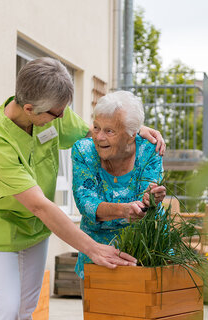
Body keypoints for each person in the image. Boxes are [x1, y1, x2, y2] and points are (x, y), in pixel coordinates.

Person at [0, 58, 165, 319]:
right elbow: (39, 205)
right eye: (56, 114)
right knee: (5, 310)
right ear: (29, 108)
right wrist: (92, 247)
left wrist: (132, 128)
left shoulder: (50, 111)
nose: (62, 118)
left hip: (35, 230)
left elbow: (94, 134)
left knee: (25, 311)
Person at [71, 90, 167, 284]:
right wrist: (123, 210)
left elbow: (145, 195)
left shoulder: (149, 150)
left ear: (132, 135)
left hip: (145, 252)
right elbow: (86, 202)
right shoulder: (84, 151)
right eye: (96, 127)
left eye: (109, 131)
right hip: (98, 254)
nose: (98, 137)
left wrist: (150, 199)